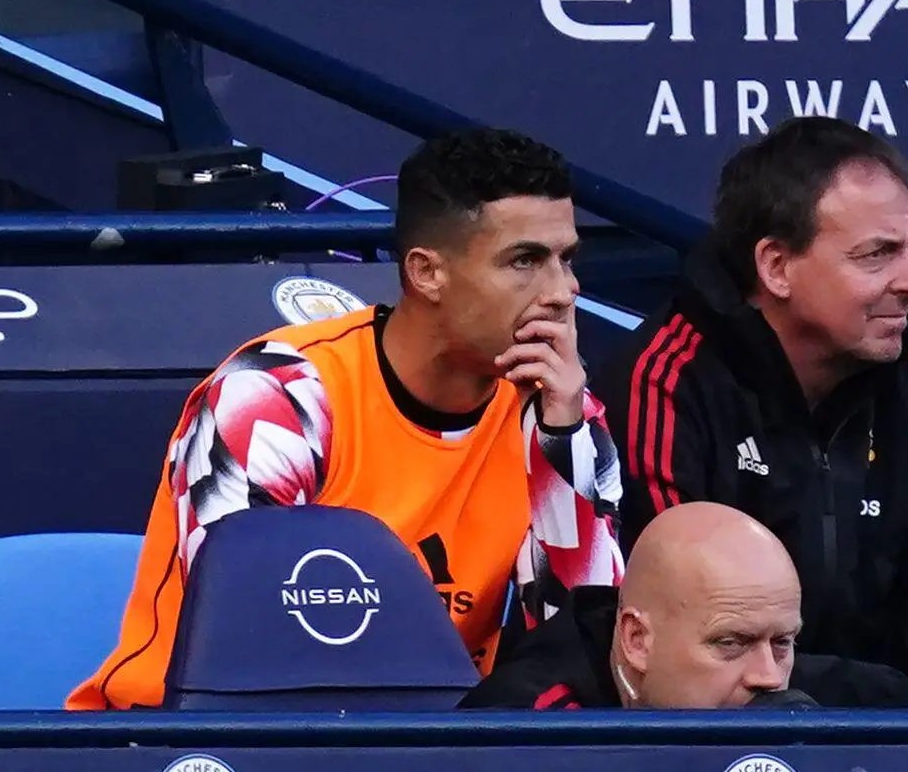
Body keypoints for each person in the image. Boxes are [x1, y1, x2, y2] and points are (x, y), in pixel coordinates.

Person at [68, 127, 625, 710]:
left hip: (427, 756)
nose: (563, 292)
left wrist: (563, 440)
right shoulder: (276, 397)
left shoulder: (558, 408)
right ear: (427, 273)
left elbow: (580, 651)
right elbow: (252, 647)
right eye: (525, 261)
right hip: (186, 751)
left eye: (567, 259)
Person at [593, 116, 908, 710]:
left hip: (896, 749)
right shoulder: (664, 381)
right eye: (877, 255)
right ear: (775, 266)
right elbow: (695, 647)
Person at [458, 502, 814, 709]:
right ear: (637, 640)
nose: (769, 677)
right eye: (731, 643)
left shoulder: (788, 689)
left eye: (782, 642)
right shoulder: (523, 736)